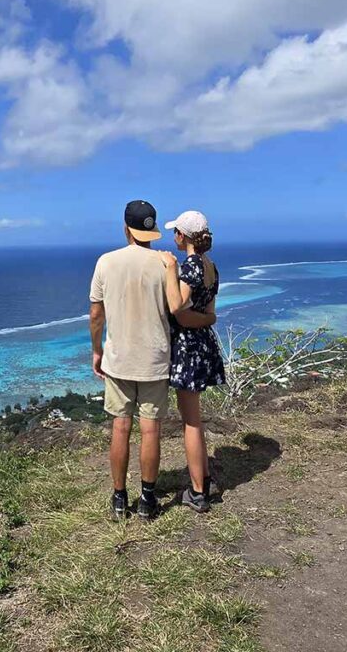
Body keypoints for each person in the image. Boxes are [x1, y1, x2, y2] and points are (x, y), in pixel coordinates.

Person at [89, 200, 215, 521]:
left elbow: (96, 315)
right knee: (150, 431)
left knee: (120, 428)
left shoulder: (106, 262)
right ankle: (147, 500)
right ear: (153, 229)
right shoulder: (164, 263)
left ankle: (119, 499)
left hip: (119, 359)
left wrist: (97, 350)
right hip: (156, 358)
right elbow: (178, 307)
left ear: (125, 227)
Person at [158, 210, 226, 513]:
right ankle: (205, 479)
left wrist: (171, 269)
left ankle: (198, 491)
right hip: (203, 344)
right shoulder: (211, 266)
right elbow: (210, 313)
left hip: (187, 348)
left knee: (191, 422)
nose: (173, 236)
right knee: (193, 419)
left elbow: (177, 306)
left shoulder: (190, 266)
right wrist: (204, 318)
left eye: (176, 232)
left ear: (182, 236)